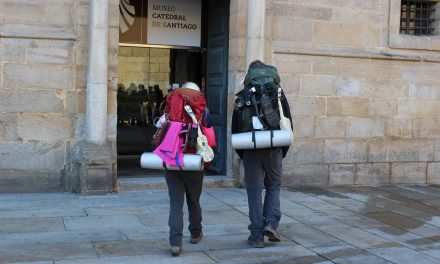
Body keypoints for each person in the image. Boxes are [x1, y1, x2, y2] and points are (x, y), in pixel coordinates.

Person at [231, 60, 293, 248]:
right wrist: (281, 150)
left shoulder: (242, 96)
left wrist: (243, 153)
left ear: (250, 75)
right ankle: (271, 224)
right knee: (274, 185)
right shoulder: (278, 93)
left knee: (254, 191)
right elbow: (288, 122)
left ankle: (256, 236)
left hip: (250, 149)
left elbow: (235, 127)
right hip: (274, 147)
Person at [162, 82, 210, 256]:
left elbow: (161, 129)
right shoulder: (202, 111)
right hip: (194, 163)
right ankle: (196, 233)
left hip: (172, 161)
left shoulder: (171, 107)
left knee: (176, 204)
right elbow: (210, 137)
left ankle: (175, 243)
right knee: (194, 200)